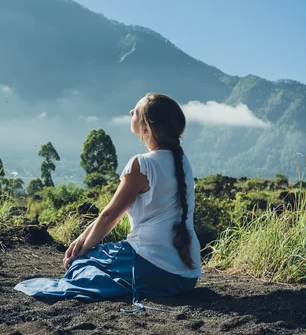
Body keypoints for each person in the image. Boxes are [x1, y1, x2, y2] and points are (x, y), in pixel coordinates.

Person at [14, 93, 202, 307]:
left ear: (146, 127)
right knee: (93, 258)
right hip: (186, 277)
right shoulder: (182, 161)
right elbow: (108, 215)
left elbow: (111, 215)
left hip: (152, 267)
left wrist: (82, 250)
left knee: (82, 263)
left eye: (136, 110)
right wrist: (81, 239)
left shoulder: (141, 164)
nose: (131, 112)